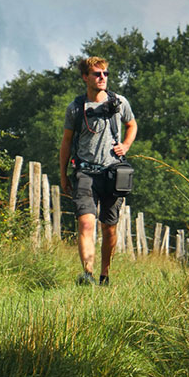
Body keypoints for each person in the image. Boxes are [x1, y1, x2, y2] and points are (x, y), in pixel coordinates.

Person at [59, 56, 137, 286]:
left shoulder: (119, 102)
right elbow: (66, 143)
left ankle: (105, 275)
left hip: (113, 173)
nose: (102, 78)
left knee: (109, 228)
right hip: (85, 173)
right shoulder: (76, 108)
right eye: (97, 74)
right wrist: (63, 174)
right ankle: (88, 274)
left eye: (105, 74)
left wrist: (126, 145)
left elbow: (132, 124)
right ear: (85, 77)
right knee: (85, 223)